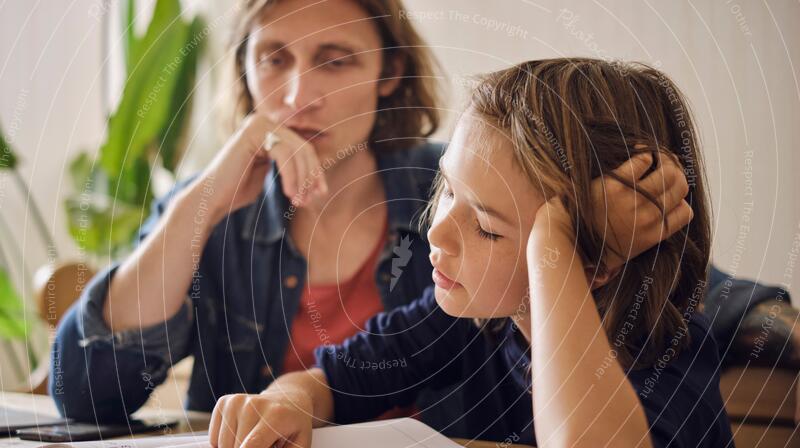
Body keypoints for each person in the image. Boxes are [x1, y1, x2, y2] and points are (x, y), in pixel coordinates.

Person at [49, 1, 690, 425]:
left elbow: (671, 293)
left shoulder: (457, 189)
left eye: (335, 60)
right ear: (244, 70)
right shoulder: (210, 211)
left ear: (390, 71)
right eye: (274, 58)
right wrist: (205, 203)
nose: (298, 96)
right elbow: (84, 393)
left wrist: (600, 221)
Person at [208, 58, 739, 448]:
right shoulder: (469, 322)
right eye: (448, 190)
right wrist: (284, 401)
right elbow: (336, 378)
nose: (436, 232)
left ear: (594, 261)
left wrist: (560, 244)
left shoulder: (671, 355)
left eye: (486, 225)